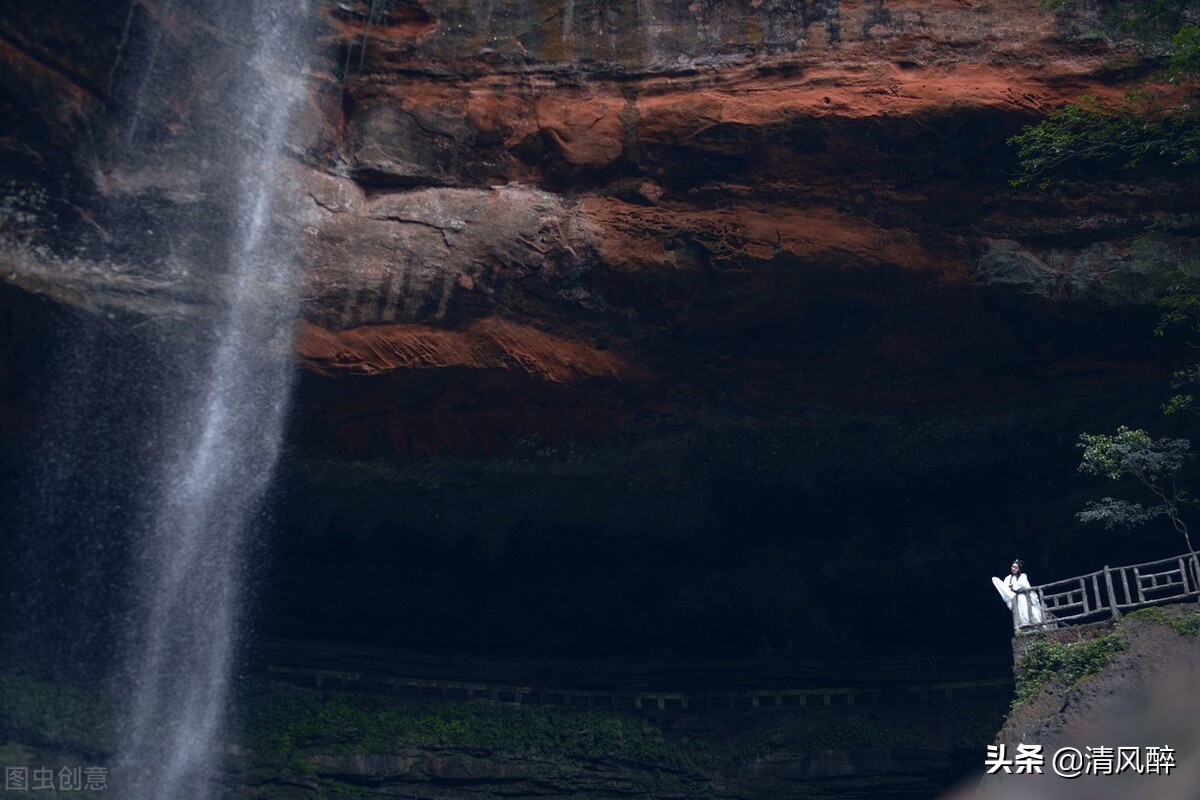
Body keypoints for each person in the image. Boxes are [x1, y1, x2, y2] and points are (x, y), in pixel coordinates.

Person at [992, 559, 1045, 628]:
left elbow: (1023, 584)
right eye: (1012, 567)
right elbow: (1006, 588)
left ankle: (1036, 626)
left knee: (1028, 610)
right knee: (1020, 612)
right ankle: (1025, 627)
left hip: (1024, 597)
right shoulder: (1008, 578)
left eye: (1015, 567)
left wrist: (1013, 586)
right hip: (1016, 598)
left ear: (1019, 569)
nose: (1013, 569)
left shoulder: (1023, 576)